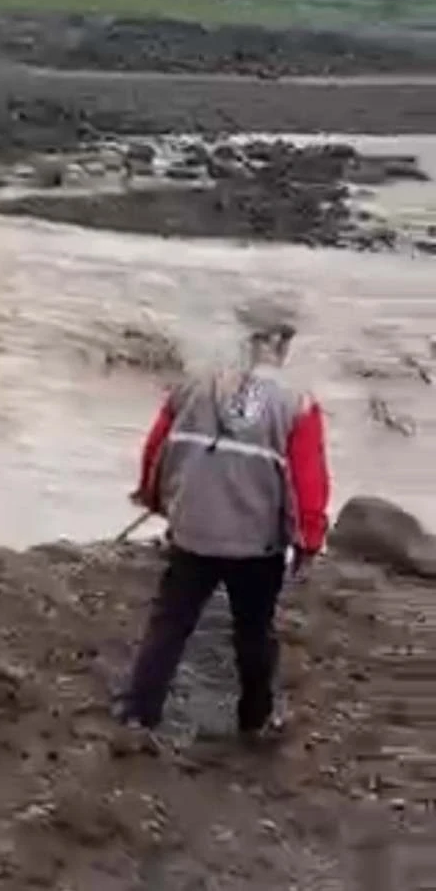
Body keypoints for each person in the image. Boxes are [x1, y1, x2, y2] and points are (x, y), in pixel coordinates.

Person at [117, 294, 331, 744]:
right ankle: (255, 719)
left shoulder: (194, 385)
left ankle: (138, 714)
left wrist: (156, 500)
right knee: (253, 632)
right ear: (280, 346)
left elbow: (157, 450)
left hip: (192, 533)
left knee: (170, 624)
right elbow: (308, 481)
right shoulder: (297, 403)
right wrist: (309, 540)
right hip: (258, 545)